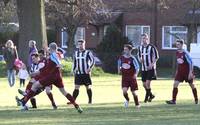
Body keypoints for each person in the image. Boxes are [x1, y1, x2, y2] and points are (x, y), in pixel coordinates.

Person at [17, 42, 82, 113]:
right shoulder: (51, 56)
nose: (47, 51)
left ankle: (23, 104)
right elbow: (45, 68)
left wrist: (59, 65)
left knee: (35, 85)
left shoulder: (54, 55)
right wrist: (35, 73)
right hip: (57, 76)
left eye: (48, 49)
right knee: (64, 92)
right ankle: (77, 106)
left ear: (51, 49)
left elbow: (58, 62)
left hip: (51, 76)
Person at [166, 39, 198, 104]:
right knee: (175, 84)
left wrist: (190, 73)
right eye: (176, 44)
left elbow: (191, 63)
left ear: (182, 45)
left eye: (178, 44)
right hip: (180, 72)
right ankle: (173, 100)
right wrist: (177, 71)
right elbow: (179, 63)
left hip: (187, 72)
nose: (177, 46)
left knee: (192, 85)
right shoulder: (177, 52)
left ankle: (196, 99)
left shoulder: (185, 53)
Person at [70, 39, 95, 104]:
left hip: (86, 74)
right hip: (78, 74)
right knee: (76, 87)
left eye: (81, 44)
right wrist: (72, 70)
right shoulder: (76, 53)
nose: (80, 46)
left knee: (88, 87)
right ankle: (72, 101)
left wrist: (90, 68)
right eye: (79, 44)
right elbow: (74, 62)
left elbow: (93, 61)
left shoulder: (88, 52)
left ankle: (90, 101)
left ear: (84, 45)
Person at [138, 34, 159, 103]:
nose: (144, 40)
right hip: (144, 68)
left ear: (148, 39)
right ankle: (151, 95)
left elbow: (156, 57)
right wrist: (140, 59)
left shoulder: (152, 47)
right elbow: (139, 56)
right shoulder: (140, 47)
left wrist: (151, 64)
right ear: (141, 39)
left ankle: (146, 99)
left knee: (147, 84)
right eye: (143, 38)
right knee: (144, 85)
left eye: (145, 38)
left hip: (151, 68)